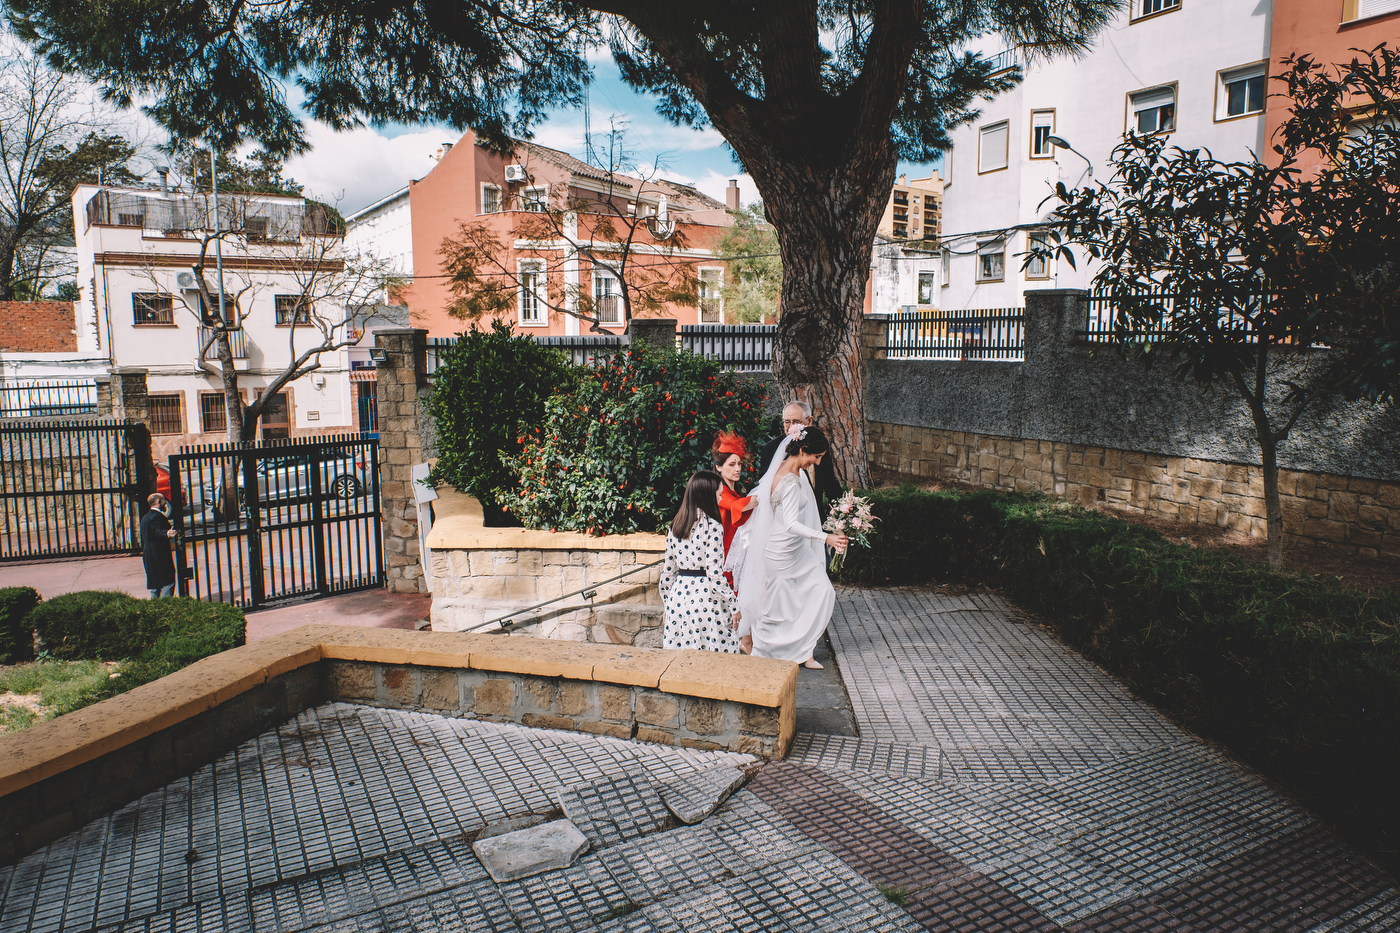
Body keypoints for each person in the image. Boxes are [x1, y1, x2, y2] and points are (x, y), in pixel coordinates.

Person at [733, 425, 848, 669]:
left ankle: (803, 650)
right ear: (803, 450)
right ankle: (768, 650)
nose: (817, 462)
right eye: (816, 456)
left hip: (794, 549)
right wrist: (826, 538)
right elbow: (791, 524)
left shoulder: (783, 468)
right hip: (782, 552)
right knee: (780, 605)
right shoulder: (792, 481)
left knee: (818, 592)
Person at [659, 471, 744, 653]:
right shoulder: (713, 526)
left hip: (679, 598)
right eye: (719, 494)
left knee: (681, 658)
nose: (721, 498)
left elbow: (667, 573)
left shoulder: (675, 526)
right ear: (708, 496)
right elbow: (714, 573)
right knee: (711, 657)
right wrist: (734, 605)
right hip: (706, 599)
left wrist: (668, 605)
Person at [758, 401, 842, 516]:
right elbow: (765, 489)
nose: (791, 427)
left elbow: (831, 484)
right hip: (785, 518)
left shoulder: (819, 446)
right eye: (787, 422)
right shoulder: (770, 449)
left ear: (809, 421)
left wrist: (843, 513)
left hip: (817, 517)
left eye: (796, 422)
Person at [140, 493, 178, 598]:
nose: (165, 502)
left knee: (155, 583)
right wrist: (167, 533)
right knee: (168, 580)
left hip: (148, 552)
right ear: (158, 501)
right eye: (163, 500)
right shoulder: (157, 516)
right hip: (158, 552)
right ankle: (165, 604)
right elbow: (157, 530)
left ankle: (155, 605)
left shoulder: (145, 517)